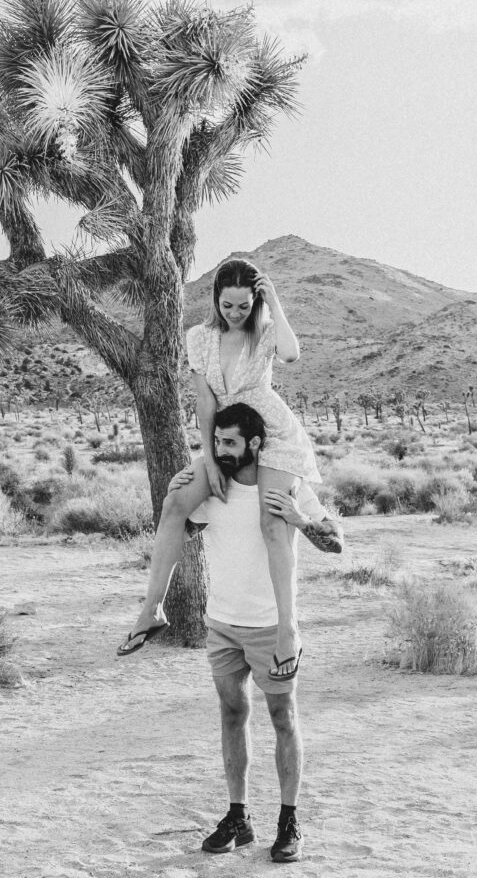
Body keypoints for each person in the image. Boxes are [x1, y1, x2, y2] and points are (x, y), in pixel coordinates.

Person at [119, 403, 343, 861]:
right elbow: (180, 528)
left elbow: (336, 540)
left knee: (284, 719)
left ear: (255, 444)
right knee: (232, 715)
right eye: (215, 441)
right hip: (221, 625)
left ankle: (289, 821)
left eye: (228, 443)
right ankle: (238, 816)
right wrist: (174, 493)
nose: (218, 451)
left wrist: (300, 520)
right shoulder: (213, 489)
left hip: (270, 628)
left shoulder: (285, 483)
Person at [121, 258, 322, 678]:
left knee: (272, 523)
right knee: (176, 502)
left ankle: (288, 630)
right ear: (216, 299)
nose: (235, 313)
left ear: (255, 302)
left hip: (273, 435)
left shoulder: (266, 333)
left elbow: (291, 354)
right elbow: (205, 401)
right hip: (227, 437)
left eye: (244, 306)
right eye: (228, 305)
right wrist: (209, 461)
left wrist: (275, 304)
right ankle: (153, 608)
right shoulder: (199, 337)